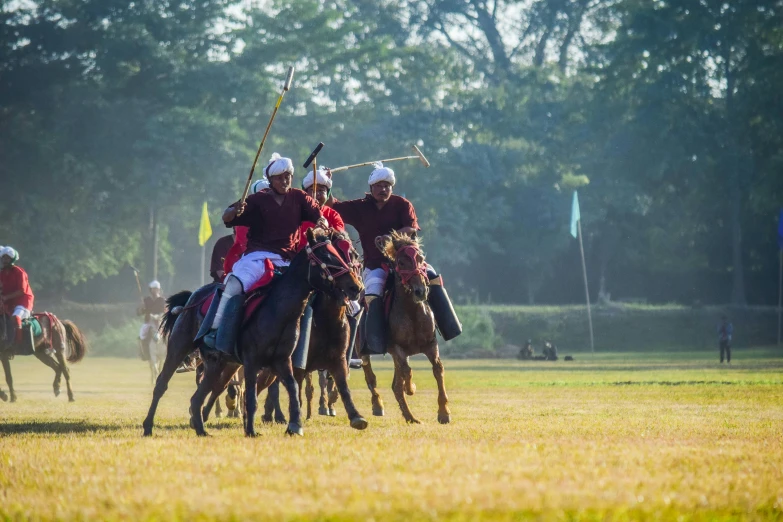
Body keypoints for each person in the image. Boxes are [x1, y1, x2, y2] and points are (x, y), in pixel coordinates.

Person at [196, 153, 327, 353]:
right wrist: (235, 211)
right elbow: (227, 217)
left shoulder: (299, 197)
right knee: (233, 285)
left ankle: (308, 348)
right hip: (256, 259)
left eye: (288, 177)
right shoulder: (257, 199)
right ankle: (215, 330)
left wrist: (322, 222)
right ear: (271, 180)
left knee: (314, 291)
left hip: (286, 262)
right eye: (279, 178)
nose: (284, 181)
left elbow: (317, 213)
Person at [331, 162, 461, 354]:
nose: (383, 190)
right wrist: (325, 184)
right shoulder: (359, 207)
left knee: (432, 277)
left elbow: (411, 229)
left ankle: (448, 327)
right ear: (371, 188)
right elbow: (333, 207)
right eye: (379, 186)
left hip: (408, 262)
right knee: (372, 294)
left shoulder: (402, 204)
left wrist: (390, 237)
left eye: (387, 186)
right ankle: (373, 344)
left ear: (392, 187)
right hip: (375, 265)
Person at [0, 246, 35, 351]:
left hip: (23, 301)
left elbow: (22, 291)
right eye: (3, 258)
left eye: (7, 258)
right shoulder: (1, 273)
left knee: (15, 317)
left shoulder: (20, 272)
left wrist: (5, 297)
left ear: (12, 259)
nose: (5, 260)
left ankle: (18, 343)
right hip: (8, 302)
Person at [138, 280, 166, 354]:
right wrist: (142, 309)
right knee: (142, 335)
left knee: (168, 334)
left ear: (159, 290)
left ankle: (169, 351)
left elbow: (165, 311)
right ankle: (144, 352)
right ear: (151, 290)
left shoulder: (162, 300)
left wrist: (159, 316)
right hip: (148, 322)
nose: (155, 291)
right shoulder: (146, 300)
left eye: (157, 289)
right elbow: (139, 312)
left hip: (159, 321)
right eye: (154, 289)